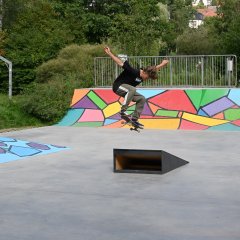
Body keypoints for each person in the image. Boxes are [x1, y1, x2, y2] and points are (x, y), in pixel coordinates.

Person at [104, 46, 169, 127]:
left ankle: (134, 119)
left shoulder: (146, 73)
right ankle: (123, 110)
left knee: (142, 98)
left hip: (127, 91)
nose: (146, 79)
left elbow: (153, 69)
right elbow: (119, 62)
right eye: (147, 77)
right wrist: (109, 53)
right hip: (118, 87)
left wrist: (162, 64)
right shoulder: (133, 71)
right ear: (145, 73)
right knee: (132, 89)